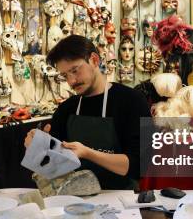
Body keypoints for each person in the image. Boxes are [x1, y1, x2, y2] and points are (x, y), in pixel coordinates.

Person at [24, 35, 151, 190]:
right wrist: (37, 145)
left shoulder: (132, 101)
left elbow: (139, 165)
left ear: (94, 60)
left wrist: (88, 153)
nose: (71, 81)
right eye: (65, 76)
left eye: (75, 70)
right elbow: (52, 164)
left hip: (121, 198)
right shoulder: (67, 108)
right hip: (74, 197)